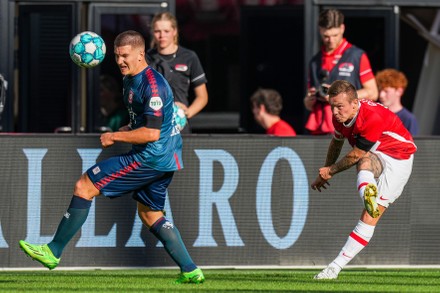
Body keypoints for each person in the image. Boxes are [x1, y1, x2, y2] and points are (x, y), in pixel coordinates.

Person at [19, 30, 205, 284]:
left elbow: (151, 133)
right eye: (117, 56)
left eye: (125, 56)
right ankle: (190, 269)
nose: (120, 61)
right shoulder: (131, 78)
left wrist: (115, 137)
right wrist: (129, 129)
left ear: (141, 54)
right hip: (162, 157)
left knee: (85, 185)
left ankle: (53, 251)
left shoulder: (152, 86)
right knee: (151, 215)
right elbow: (150, 124)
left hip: (150, 157)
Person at [311, 80, 416, 280]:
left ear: (355, 103)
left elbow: (355, 154)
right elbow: (336, 143)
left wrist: (330, 171)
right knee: (365, 160)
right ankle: (368, 193)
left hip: (399, 157)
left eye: (339, 106)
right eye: (332, 106)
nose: (334, 112)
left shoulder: (371, 117)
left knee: (369, 217)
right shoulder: (340, 117)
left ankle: (335, 267)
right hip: (376, 151)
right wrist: (325, 170)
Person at [304, 8, 378, 135]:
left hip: (348, 128)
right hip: (319, 130)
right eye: (326, 36)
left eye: (335, 35)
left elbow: (373, 93)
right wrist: (309, 100)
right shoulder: (315, 61)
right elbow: (308, 103)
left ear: (342, 29)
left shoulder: (356, 56)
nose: (331, 40)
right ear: (320, 30)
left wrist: (339, 96)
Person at [147, 12, 208, 133]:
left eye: (166, 31)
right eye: (157, 31)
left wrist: (186, 112)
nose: (161, 35)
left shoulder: (189, 57)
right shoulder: (146, 58)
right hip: (152, 126)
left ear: (174, 31)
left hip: (179, 126)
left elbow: (203, 97)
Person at [375, 68, 419, 135]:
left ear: (399, 91)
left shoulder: (408, 119)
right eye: (380, 90)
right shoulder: (374, 115)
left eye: (386, 91)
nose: (381, 95)